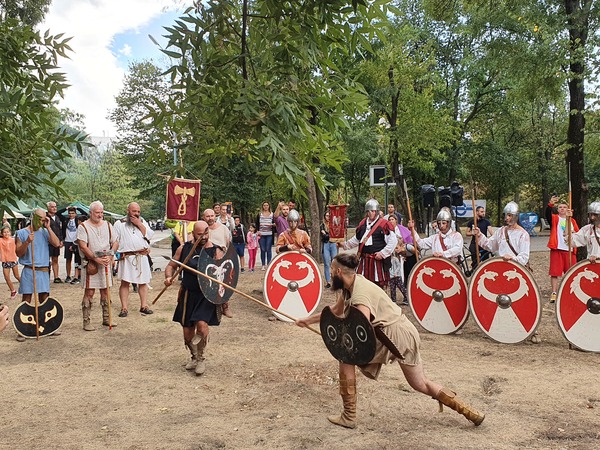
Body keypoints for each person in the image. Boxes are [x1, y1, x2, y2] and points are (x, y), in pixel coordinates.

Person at [295, 253, 485, 429]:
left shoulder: (359, 293)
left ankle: (349, 416)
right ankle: (470, 412)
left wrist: (341, 342)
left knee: (346, 357)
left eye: (330, 271)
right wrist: (307, 320)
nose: (329, 275)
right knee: (420, 383)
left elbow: (360, 326)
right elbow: (336, 310)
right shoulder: (352, 285)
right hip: (400, 330)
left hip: (394, 334)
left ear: (338, 272)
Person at [473, 201, 537, 343]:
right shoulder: (501, 231)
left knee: (522, 303)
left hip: (517, 272)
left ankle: (532, 330)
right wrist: (479, 236)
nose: (507, 218)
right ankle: (499, 328)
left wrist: (512, 258)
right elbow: (490, 245)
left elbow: (524, 257)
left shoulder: (523, 234)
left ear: (515, 216)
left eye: (509, 215)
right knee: (501, 302)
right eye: (506, 215)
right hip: (501, 272)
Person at [165, 221, 222, 376]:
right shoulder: (184, 249)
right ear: (193, 233)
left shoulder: (215, 251)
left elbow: (224, 272)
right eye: (199, 234)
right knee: (187, 331)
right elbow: (171, 266)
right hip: (188, 293)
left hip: (206, 295)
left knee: (202, 325)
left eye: (206, 233)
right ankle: (194, 356)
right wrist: (169, 277)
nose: (203, 237)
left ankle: (201, 358)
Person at [15, 208, 61, 341]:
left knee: (44, 298)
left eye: (44, 219)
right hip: (29, 269)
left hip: (43, 270)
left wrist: (49, 227)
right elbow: (18, 253)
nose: (42, 222)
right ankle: (22, 329)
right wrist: (27, 242)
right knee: (27, 299)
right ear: (33, 217)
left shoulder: (45, 232)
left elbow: (56, 243)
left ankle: (47, 326)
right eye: (40, 219)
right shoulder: (22, 233)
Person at [76, 201, 118, 331]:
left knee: (106, 290)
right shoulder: (83, 226)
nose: (100, 215)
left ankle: (107, 318)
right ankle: (86, 321)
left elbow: (115, 242)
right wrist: (95, 258)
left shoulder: (108, 225)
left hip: (105, 261)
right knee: (90, 291)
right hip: (92, 263)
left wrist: (111, 256)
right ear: (91, 213)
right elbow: (83, 246)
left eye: (101, 212)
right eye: (97, 213)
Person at [340, 199, 397, 288]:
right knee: (362, 284)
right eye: (368, 211)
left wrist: (382, 253)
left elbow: (393, 241)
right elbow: (357, 239)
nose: (370, 213)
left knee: (377, 285)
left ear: (377, 211)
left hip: (377, 261)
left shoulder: (384, 224)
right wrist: (344, 245)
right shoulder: (363, 224)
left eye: (373, 211)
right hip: (364, 260)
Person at [113, 202, 155, 317]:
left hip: (141, 256)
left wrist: (139, 224)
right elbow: (115, 240)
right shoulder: (119, 223)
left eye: (138, 212)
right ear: (128, 211)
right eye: (134, 211)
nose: (136, 214)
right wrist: (113, 254)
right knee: (125, 282)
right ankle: (124, 308)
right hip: (127, 257)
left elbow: (150, 235)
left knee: (143, 282)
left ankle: (144, 306)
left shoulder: (142, 222)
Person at [545, 195, 579, 303]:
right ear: (558, 209)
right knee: (555, 272)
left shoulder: (572, 221)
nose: (562, 209)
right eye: (560, 207)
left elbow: (578, 234)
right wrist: (550, 204)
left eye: (564, 207)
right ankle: (554, 292)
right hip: (557, 249)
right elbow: (547, 214)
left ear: (568, 209)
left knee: (571, 272)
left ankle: (570, 292)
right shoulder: (555, 218)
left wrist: (572, 231)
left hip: (569, 250)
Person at [203, 208, 233, 318]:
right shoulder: (203, 229)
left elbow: (228, 244)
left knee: (223, 284)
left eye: (212, 216)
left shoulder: (223, 229)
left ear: (215, 216)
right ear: (203, 217)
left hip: (221, 260)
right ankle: (209, 306)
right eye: (207, 216)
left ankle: (225, 306)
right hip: (207, 260)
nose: (210, 218)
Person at [465, 206, 493, 271]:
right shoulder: (472, 222)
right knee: (473, 254)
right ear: (477, 212)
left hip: (483, 242)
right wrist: (473, 233)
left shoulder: (486, 222)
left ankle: (486, 270)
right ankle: (474, 269)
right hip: (474, 242)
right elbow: (467, 233)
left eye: (484, 211)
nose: (483, 213)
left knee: (485, 258)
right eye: (481, 212)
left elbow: (492, 233)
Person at [62, 207, 81, 284]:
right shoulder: (65, 220)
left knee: (77, 259)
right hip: (67, 240)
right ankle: (68, 275)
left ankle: (78, 275)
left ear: (75, 214)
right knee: (68, 259)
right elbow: (58, 213)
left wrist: (78, 208)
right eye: (69, 213)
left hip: (76, 241)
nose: (71, 215)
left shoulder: (78, 220)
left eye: (73, 213)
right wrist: (65, 209)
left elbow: (86, 214)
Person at [1, 226, 20, 298]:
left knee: (17, 276)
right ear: (2, 233)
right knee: (6, 277)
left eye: (7, 232)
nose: (6, 233)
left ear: (10, 232)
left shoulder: (13, 240)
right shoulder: (1, 240)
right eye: (4, 232)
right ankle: (13, 290)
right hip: (5, 260)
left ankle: (25, 286)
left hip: (13, 259)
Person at [47, 201, 64, 283]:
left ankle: (56, 277)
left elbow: (60, 230)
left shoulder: (57, 217)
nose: (54, 208)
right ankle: (46, 277)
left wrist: (61, 240)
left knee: (55, 259)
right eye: (52, 207)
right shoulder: (45, 218)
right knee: (47, 260)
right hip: (47, 242)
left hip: (56, 241)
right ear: (48, 208)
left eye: (55, 206)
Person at [320, 210, 337, 289]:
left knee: (334, 262)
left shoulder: (334, 225)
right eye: (326, 216)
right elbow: (324, 236)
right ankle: (328, 281)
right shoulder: (322, 225)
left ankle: (335, 281)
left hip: (333, 244)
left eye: (329, 216)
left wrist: (327, 234)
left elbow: (334, 234)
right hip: (326, 244)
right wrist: (328, 235)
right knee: (326, 263)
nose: (328, 217)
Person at [256, 201, 275, 270]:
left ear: (269, 206)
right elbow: (257, 223)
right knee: (263, 249)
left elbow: (274, 223)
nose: (266, 206)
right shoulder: (259, 214)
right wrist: (257, 231)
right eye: (264, 205)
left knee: (268, 249)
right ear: (262, 206)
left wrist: (273, 225)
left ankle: (269, 264)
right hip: (262, 234)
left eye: (267, 205)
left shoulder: (272, 214)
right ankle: (263, 264)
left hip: (269, 234)